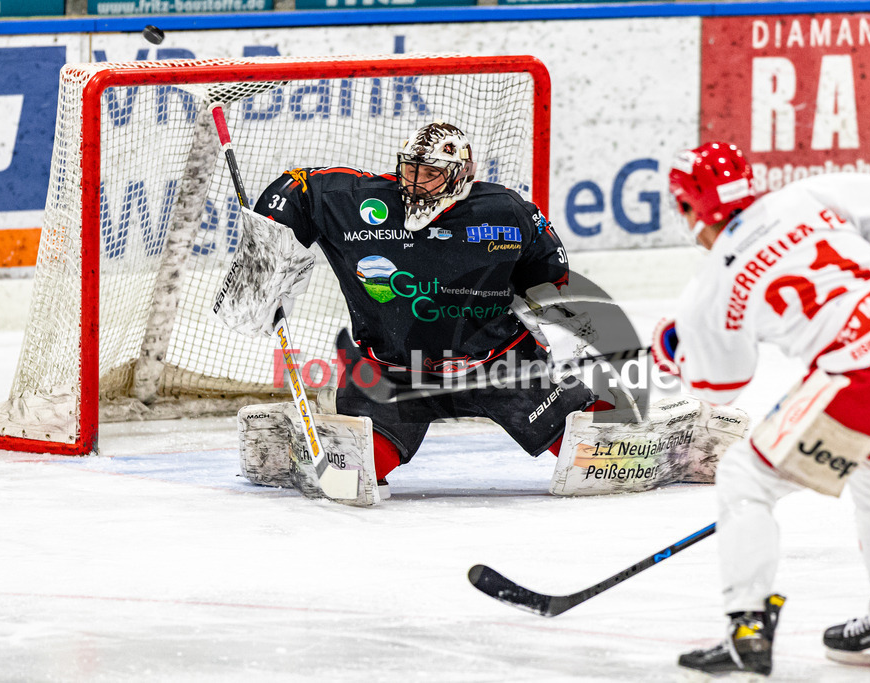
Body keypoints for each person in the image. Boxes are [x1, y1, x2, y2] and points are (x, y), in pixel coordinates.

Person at [654, 142, 870, 677]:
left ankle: (746, 629)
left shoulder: (711, 285)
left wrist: (677, 350)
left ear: (688, 208)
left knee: (745, 478)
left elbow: (721, 383)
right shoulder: (812, 194)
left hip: (867, 366)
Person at [248, 122, 609, 493]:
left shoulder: (505, 212)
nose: (416, 182)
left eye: (431, 173)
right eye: (410, 169)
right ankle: (318, 431)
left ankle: (632, 430)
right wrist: (265, 256)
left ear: (458, 176)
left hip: (500, 367)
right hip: (393, 373)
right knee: (354, 478)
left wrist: (556, 322)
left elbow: (550, 272)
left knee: (596, 455)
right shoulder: (361, 204)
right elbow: (296, 188)